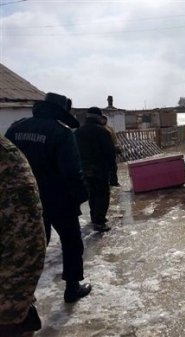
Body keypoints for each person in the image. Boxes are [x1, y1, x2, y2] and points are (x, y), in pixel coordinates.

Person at [5, 92, 92, 304]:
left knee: (31, 245)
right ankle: (72, 288)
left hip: (24, 200)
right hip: (59, 199)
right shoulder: (62, 133)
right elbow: (71, 172)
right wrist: (81, 195)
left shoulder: (16, 128)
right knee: (71, 242)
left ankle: (24, 294)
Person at [0, 135, 46, 336]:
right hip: (57, 196)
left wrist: (10, 312)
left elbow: (25, 241)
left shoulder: (14, 135)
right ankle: (72, 285)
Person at [75, 107, 116, 232]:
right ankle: (99, 221)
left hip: (83, 168)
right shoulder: (102, 131)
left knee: (92, 194)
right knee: (102, 194)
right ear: (98, 117)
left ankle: (94, 218)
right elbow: (110, 152)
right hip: (100, 168)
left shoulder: (77, 132)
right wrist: (112, 171)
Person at [100, 115, 121, 187]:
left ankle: (114, 182)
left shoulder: (109, 128)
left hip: (110, 150)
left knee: (113, 167)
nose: (103, 121)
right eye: (102, 119)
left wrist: (117, 147)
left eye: (104, 119)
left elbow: (114, 139)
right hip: (100, 152)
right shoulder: (98, 128)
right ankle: (105, 184)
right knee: (103, 168)